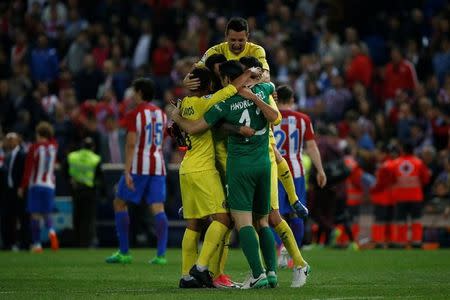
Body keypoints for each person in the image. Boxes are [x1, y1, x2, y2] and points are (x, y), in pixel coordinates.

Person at [169, 60, 279, 289]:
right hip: (208, 168)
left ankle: (186, 276)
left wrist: (176, 116)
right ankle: (202, 269)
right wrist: (252, 75)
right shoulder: (212, 101)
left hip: (187, 167)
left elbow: (184, 127)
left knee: (193, 225)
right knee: (225, 219)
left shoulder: (184, 103)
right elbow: (241, 89)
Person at [187, 18, 304, 219]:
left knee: (273, 150)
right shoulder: (215, 51)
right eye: (233, 39)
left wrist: (249, 86)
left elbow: (266, 76)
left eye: (241, 40)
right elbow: (192, 74)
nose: (237, 44)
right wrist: (188, 81)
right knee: (210, 151)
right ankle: (203, 198)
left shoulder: (256, 50)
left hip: (250, 99)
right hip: (227, 103)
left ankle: (293, 199)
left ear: (247, 37)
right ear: (226, 37)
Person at [105, 78, 169, 264]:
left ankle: (124, 252)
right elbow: (163, 139)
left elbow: (131, 143)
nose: (132, 94)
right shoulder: (161, 114)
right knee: (158, 207)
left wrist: (126, 172)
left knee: (119, 202)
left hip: (139, 166)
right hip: (158, 166)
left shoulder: (135, 114)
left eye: (134, 91)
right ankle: (161, 255)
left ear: (140, 92)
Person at [273, 85, 325, 286]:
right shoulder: (303, 119)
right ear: (293, 98)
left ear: (276, 99)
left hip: (275, 172)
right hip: (296, 172)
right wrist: (320, 170)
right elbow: (311, 147)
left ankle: (279, 249)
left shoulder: (270, 115)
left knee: (273, 214)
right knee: (297, 213)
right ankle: (293, 253)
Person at [18, 122, 59, 253]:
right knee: (46, 213)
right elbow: (52, 139)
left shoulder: (34, 147)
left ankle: (37, 245)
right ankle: (52, 231)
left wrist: (22, 186)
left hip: (36, 185)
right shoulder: (54, 147)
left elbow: (28, 169)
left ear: (38, 134)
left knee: (35, 215)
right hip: (50, 186)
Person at [389, 141, 430, 248]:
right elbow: (426, 179)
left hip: (400, 197)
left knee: (401, 221)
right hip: (415, 196)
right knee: (416, 221)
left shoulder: (395, 163)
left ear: (402, 150)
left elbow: (391, 179)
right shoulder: (419, 163)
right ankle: (416, 242)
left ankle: (401, 243)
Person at [65, 137, 103, 247]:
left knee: (76, 217)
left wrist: (70, 180)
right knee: (88, 219)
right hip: (89, 192)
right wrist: (101, 192)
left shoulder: (73, 156)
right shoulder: (95, 158)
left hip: (75, 190)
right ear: (93, 147)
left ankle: (76, 242)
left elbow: (64, 170)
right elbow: (100, 177)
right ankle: (85, 243)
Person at [1, 132, 28, 250]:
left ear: (18, 140)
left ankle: (24, 243)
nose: (10, 141)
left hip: (18, 190)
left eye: (12, 139)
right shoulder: (6, 155)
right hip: (8, 191)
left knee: (22, 217)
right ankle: (9, 243)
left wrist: (22, 187)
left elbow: (24, 173)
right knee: (8, 218)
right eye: (8, 139)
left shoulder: (22, 154)